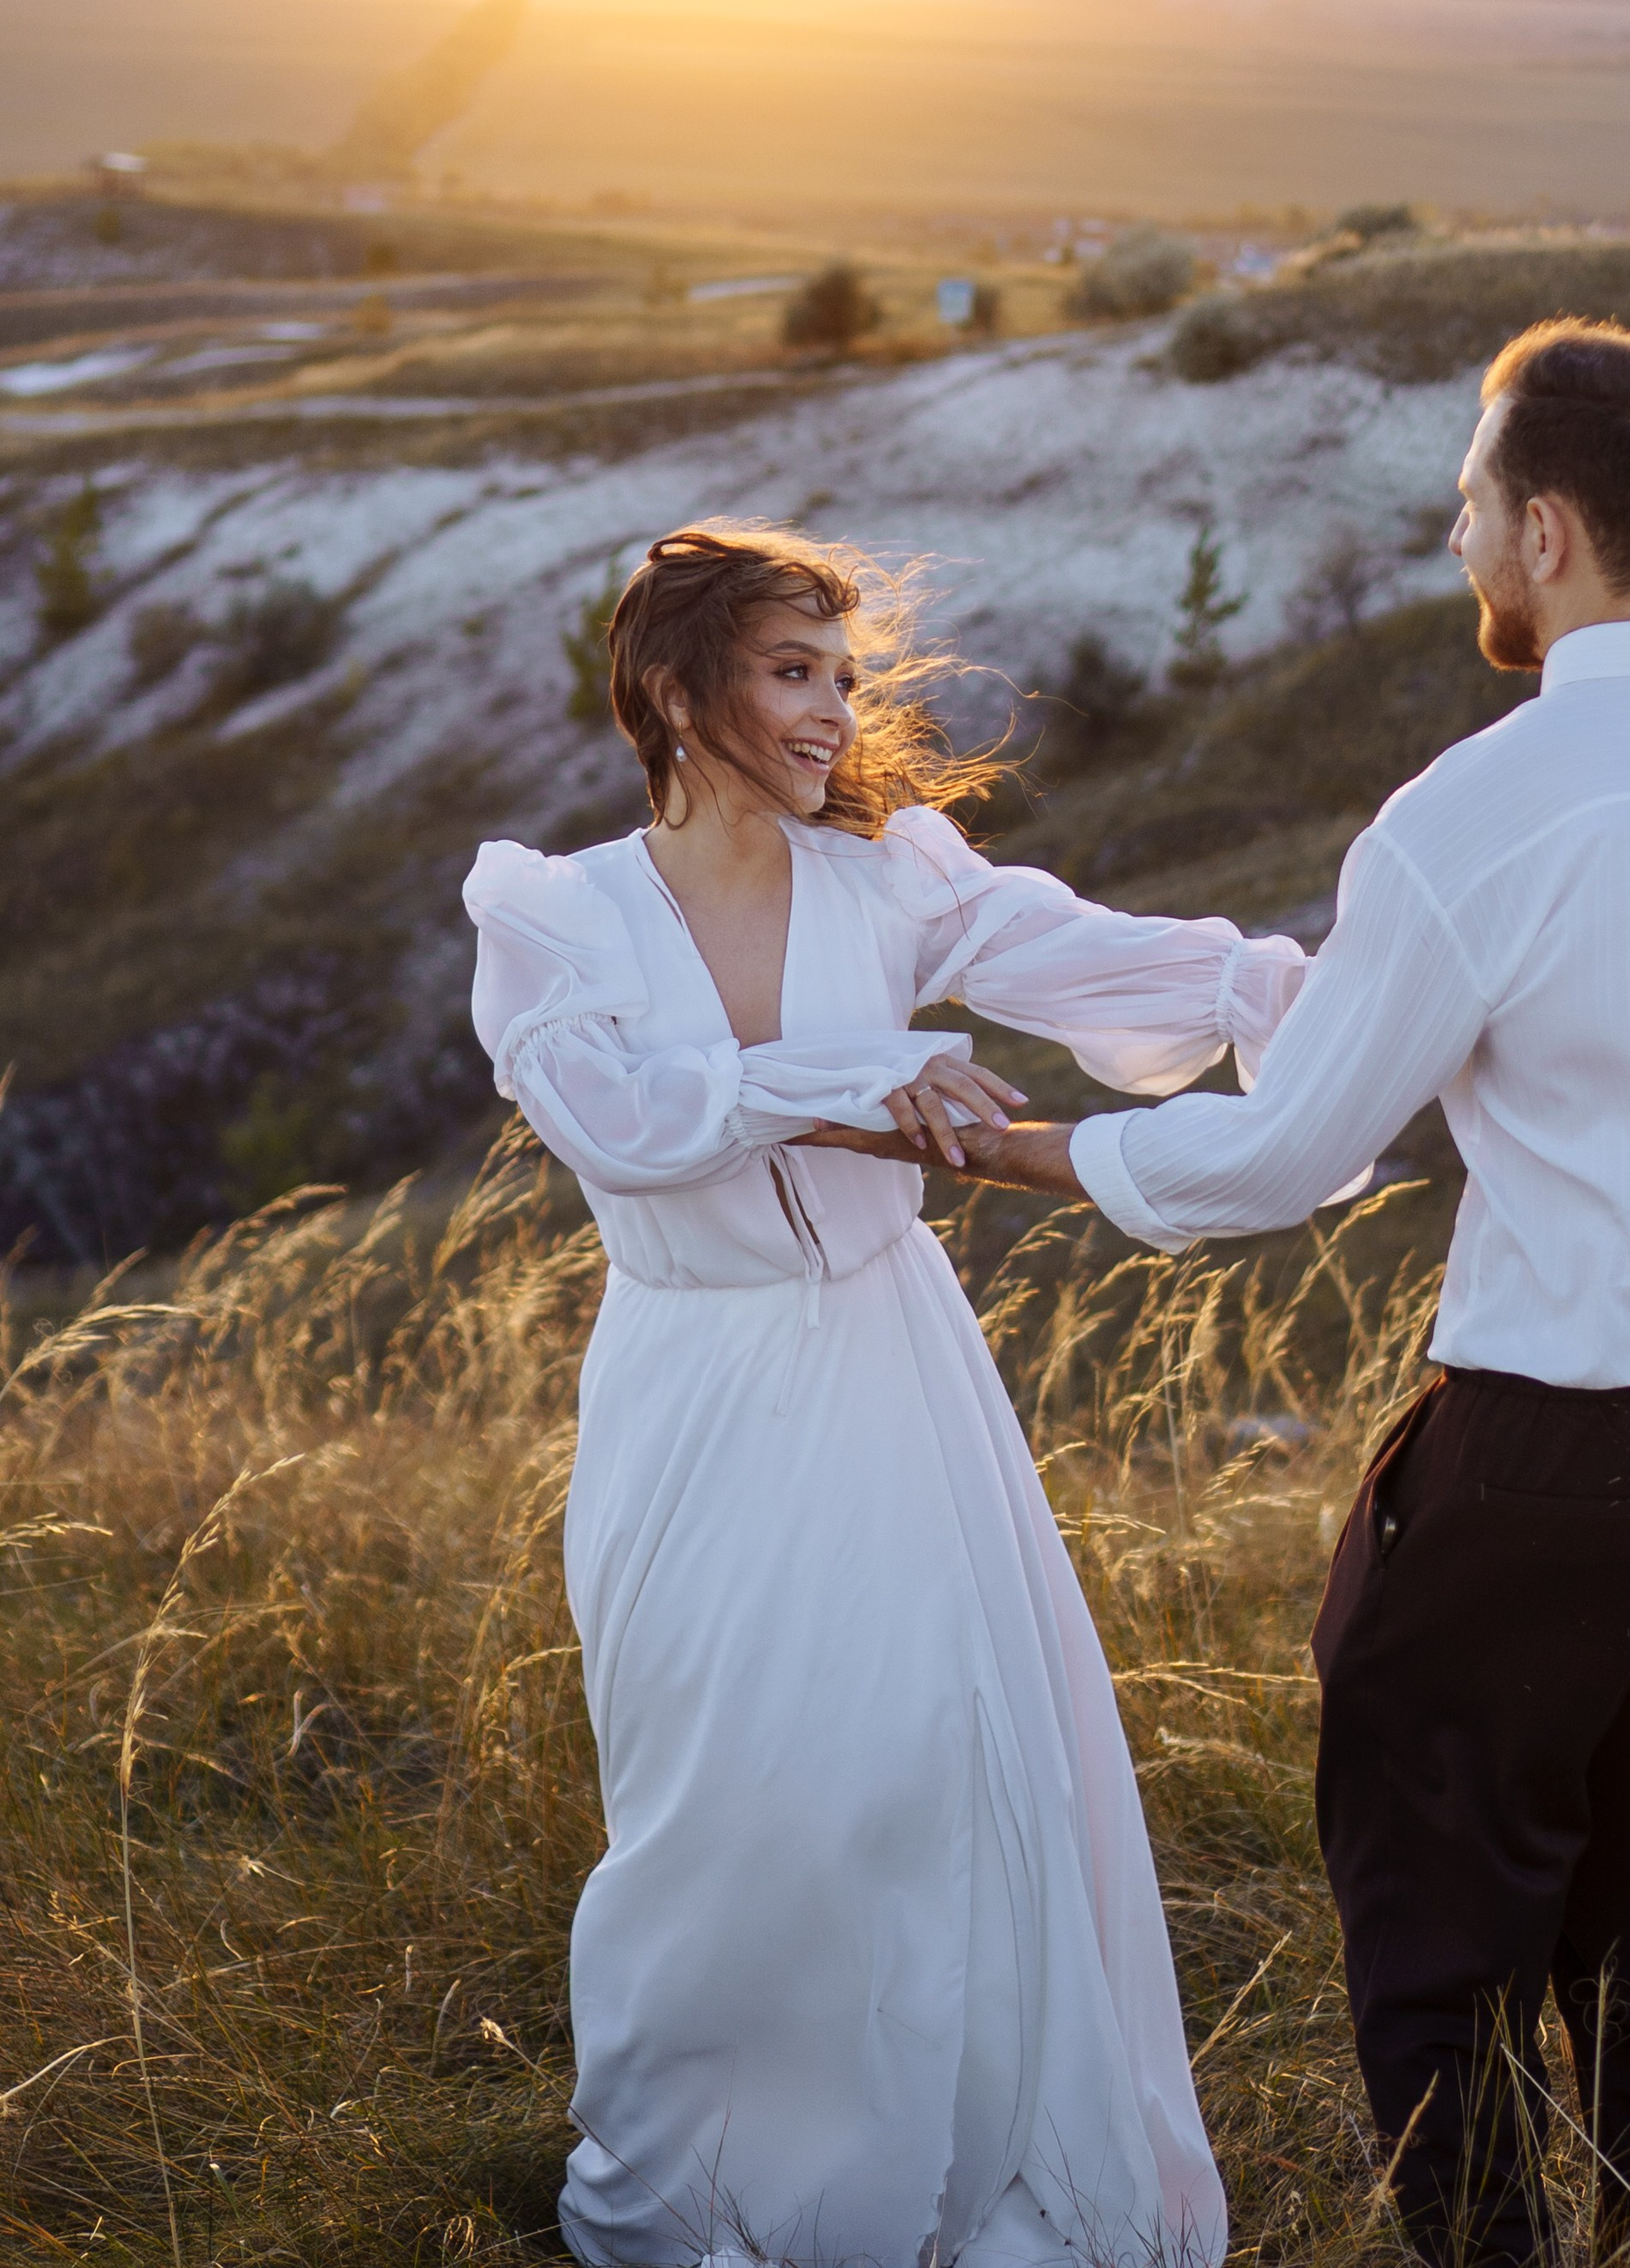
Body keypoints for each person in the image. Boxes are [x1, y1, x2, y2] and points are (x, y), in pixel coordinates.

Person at [860, 320, 1630, 2264]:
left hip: (1550, 1444)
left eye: (1472, 497)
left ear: (1542, 531)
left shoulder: (1477, 815)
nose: (1454, 525)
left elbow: (1290, 1153)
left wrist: (1035, 1153)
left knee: (1433, 1905)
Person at [463, 519, 1306, 2268]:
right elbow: (627, 1119)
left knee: (920, 1771)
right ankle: (722, 2182)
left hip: (885, 1363)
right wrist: (865, 1070)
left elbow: (1100, 962)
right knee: (724, 1799)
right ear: (670, 692)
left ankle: (955, 2164)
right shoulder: (555, 920)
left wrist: (1313, 995)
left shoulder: (893, 883)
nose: (833, 714)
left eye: (844, 678)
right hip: (689, 1391)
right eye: (791, 672)